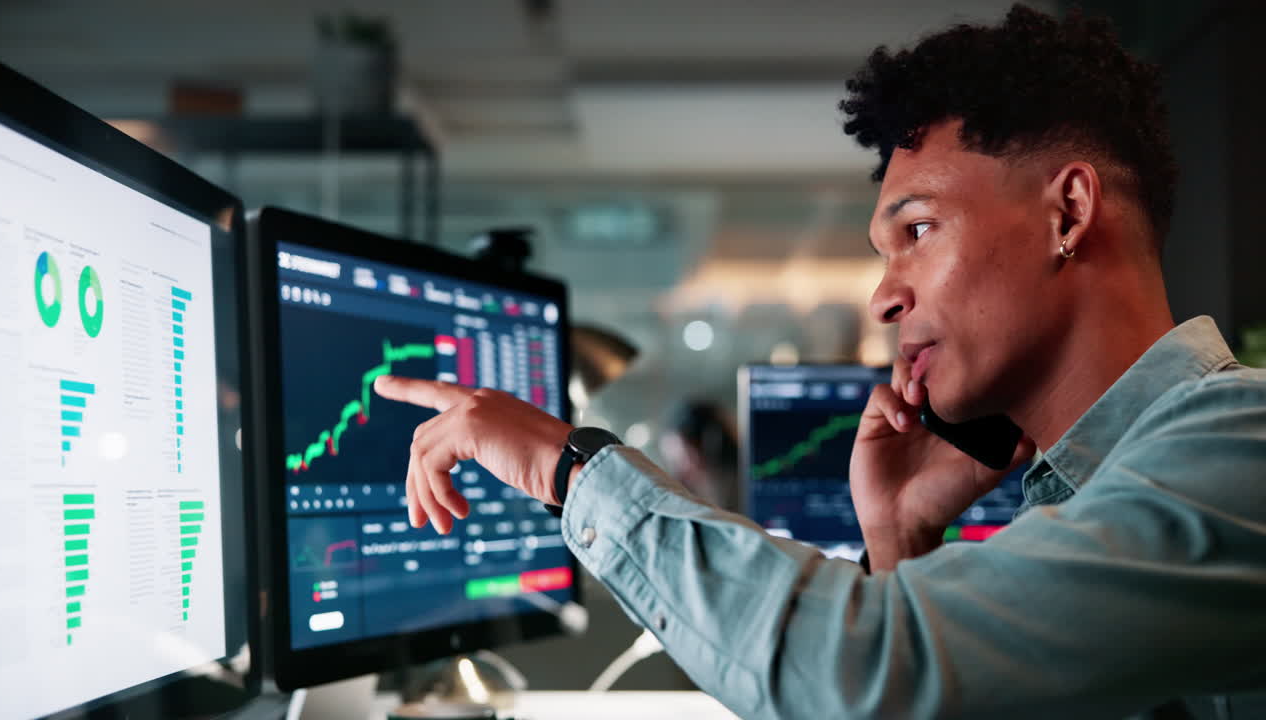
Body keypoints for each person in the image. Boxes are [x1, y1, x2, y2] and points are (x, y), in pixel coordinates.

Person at [371, 5, 1266, 718]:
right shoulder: (1092, 501)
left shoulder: (1237, 447)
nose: (882, 297)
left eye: (916, 232)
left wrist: (570, 468)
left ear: (1067, 214)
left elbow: (872, 674)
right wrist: (900, 543)